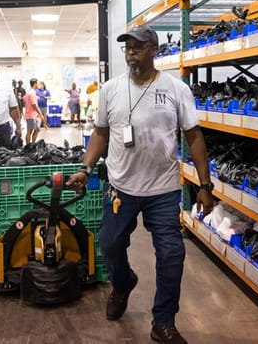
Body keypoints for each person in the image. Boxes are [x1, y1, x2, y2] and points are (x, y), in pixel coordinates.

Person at [66, 26, 213, 344]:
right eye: (127, 47)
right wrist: (86, 168)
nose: (131, 51)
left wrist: (205, 184)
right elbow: (101, 133)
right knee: (110, 244)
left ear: (154, 49)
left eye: (138, 46)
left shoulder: (175, 89)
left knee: (172, 254)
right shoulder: (110, 89)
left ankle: (163, 322)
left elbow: (193, 135)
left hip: (163, 189)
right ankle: (122, 283)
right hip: (120, 187)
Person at [24, 78, 48, 143]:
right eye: (37, 83)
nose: (38, 85)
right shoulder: (31, 93)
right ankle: (28, 146)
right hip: (30, 115)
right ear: (34, 84)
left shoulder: (31, 92)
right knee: (30, 131)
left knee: (37, 129)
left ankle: (33, 143)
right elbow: (34, 105)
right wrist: (40, 114)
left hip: (32, 115)